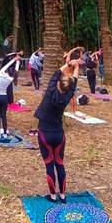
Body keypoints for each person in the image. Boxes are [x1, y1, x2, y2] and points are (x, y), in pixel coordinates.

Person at [34, 58, 79, 202]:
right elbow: (74, 83)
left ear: (58, 83)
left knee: (49, 164)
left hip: (45, 135)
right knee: (59, 163)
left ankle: (53, 195)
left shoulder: (50, 91)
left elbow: (55, 74)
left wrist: (69, 64)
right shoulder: (66, 97)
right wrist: (76, 67)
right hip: (59, 135)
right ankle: (63, 195)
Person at [0, 54, 22, 138]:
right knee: (3, 116)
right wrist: (18, 62)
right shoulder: (11, 79)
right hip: (4, 98)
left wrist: (15, 59)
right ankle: (5, 134)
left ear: (7, 71)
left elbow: (6, 65)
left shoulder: (1, 73)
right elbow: (16, 71)